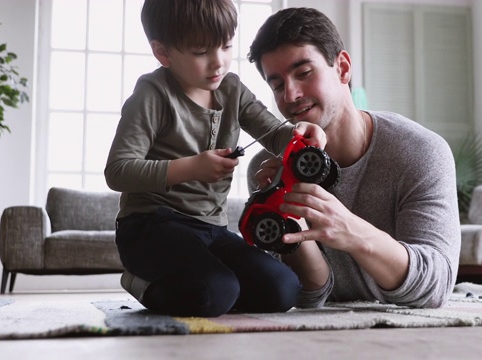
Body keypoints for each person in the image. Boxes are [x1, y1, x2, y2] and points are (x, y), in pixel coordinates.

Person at [104, 0, 326, 317]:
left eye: (226, 47)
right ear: (163, 53)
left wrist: (301, 135)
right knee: (214, 293)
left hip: (213, 229)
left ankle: (207, 285)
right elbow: (118, 171)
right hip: (150, 227)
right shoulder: (153, 94)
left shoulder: (232, 88)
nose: (218, 62)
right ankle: (142, 283)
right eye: (200, 52)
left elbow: (274, 133)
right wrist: (191, 167)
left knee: (284, 289)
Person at [246, 7, 461, 308]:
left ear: (343, 68)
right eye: (278, 85)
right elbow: (306, 297)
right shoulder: (266, 166)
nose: (291, 95)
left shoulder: (420, 152)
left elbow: (434, 287)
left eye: (304, 73)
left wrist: (348, 229)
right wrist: (294, 227)